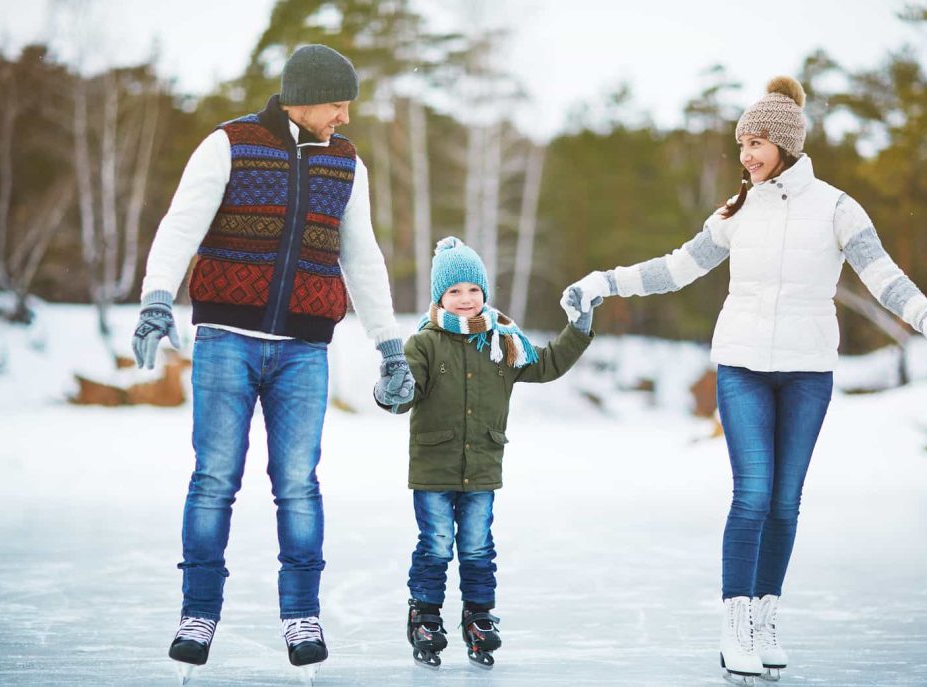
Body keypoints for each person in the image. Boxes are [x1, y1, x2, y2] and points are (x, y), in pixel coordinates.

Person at [561, 76, 927, 683]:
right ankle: (736, 624)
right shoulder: (734, 213)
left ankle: (767, 615)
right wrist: (605, 281)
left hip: (807, 372)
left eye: (758, 142)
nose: (747, 154)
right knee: (752, 493)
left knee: (784, 502)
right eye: (742, 142)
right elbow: (675, 269)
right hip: (743, 366)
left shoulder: (835, 207)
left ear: (787, 144)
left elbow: (881, 274)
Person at [130, 44, 415, 680]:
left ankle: (302, 615)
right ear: (306, 96)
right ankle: (197, 614)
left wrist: (388, 345)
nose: (345, 115)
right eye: (339, 103)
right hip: (226, 339)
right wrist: (156, 299)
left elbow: (362, 257)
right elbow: (181, 225)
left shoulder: (346, 163)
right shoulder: (228, 144)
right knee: (214, 480)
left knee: (297, 484)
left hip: (305, 349)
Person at [380, 237, 596, 670]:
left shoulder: (503, 343)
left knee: (478, 547)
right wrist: (391, 389)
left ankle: (478, 617)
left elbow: (548, 364)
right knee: (437, 545)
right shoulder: (423, 344)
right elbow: (400, 396)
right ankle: (424, 616)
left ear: (485, 294)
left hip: (482, 467)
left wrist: (581, 326)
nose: (465, 299)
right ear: (440, 297)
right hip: (434, 468)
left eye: (473, 290)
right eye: (455, 291)